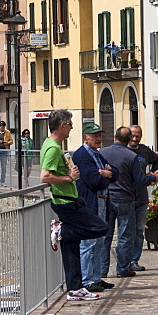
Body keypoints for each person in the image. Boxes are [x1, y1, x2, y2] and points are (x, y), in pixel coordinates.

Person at [40, 110, 109, 302]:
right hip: (66, 202)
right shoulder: (53, 148)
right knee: (100, 227)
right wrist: (69, 177)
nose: (72, 127)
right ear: (62, 126)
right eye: (70, 124)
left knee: (71, 248)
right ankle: (61, 230)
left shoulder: (52, 144)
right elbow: (45, 176)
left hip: (67, 200)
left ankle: (75, 288)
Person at [101, 126, 158, 278]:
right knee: (125, 235)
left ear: (115, 136)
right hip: (125, 199)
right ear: (128, 140)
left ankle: (102, 269)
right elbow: (140, 180)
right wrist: (153, 177)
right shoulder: (130, 156)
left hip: (106, 198)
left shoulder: (102, 153)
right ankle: (122, 268)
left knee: (105, 235)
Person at [72, 123, 118, 293]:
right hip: (91, 201)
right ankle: (87, 280)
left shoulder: (97, 155)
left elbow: (116, 173)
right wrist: (106, 175)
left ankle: (96, 278)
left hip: (103, 200)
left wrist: (107, 173)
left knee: (100, 241)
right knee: (88, 243)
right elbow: (93, 180)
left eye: (100, 135)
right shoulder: (82, 155)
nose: (99, 139)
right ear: (86, 137)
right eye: (95, 136)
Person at [128, 125, 158, 272]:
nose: (135, 139)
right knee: (127, 231)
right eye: (133, 136)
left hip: (141, 196)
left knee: (139, 229)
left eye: (138, 136)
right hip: (126, 196)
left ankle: (135, 260)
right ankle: (125, 261)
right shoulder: (123, 150)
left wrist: (151, 173)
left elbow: (157, 160)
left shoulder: (144, 150)